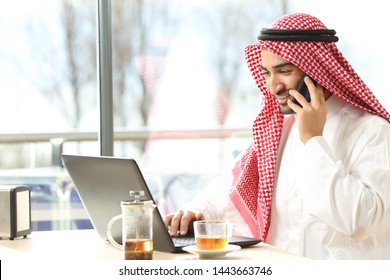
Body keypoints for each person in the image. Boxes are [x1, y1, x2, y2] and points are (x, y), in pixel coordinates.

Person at [163, 12, 390, 259]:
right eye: (267, 73)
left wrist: (313, 139)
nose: (273, 87)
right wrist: (194, 213)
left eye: (284, 71)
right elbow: (226, 191)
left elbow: (360, 222)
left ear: (318, 70)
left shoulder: (372, 132)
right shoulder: (279, 128)